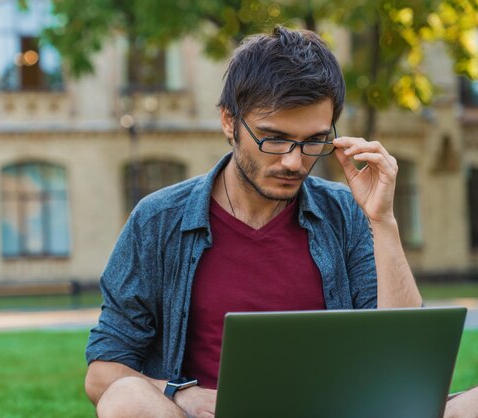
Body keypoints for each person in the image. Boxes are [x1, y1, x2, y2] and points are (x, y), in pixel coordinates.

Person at [84, 26, 475, 417]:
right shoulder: (159, 220)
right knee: (126, 398)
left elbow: (405, 361)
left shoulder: (345, 212)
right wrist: (181, 393)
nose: (293, 161)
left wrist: (383, 221)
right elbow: (103, 371)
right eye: (274, 138)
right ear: (228, 121)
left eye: (312, 142)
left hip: (336, 411)